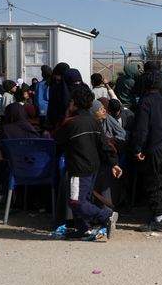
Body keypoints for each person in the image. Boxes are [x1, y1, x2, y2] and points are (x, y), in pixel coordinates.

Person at [52, 87, 121, 239]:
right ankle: (83, 229)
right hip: (93, 167)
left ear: (74, 103)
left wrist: (66, 115)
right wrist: (114, 163)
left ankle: (106, 216)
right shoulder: (94, 122)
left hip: (78, 168)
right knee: (82, 198)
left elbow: (56, 138)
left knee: (75, 201)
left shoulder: (69, 123)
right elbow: (105, 145)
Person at [132, 71, 162, 232]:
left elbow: (142, 129)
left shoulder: (145, 102)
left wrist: (138, 148)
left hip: (154, 146)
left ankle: (157, 218)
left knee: (153, 182)